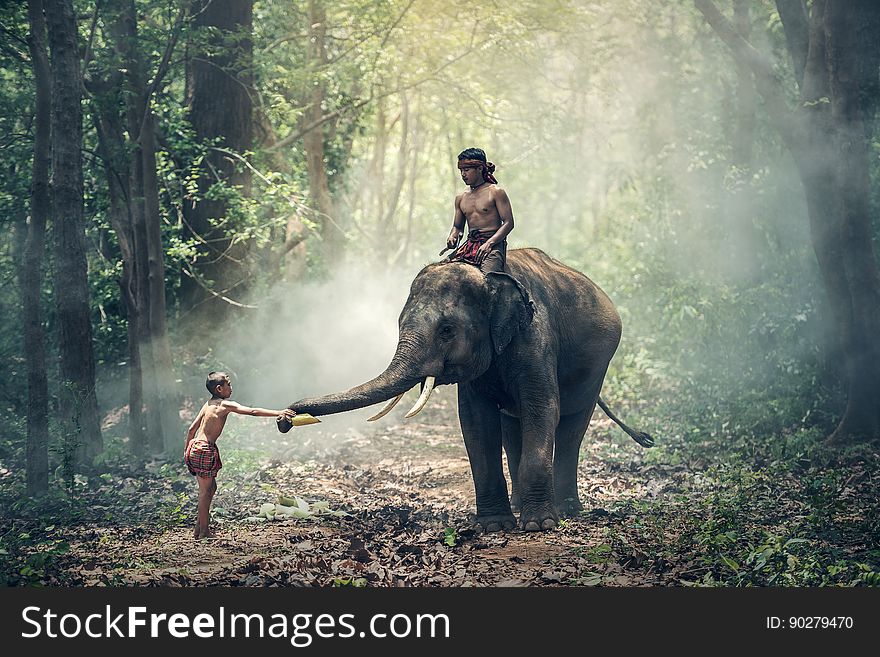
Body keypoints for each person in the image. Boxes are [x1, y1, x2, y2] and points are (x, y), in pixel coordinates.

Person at [184, 371, 295, 539]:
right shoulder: (224, 405)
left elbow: (192, 429)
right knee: (205, 492)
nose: (231, 387)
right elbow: (253, 411)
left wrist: (186, 451)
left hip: (195, 447)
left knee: (210, 488)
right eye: (229, 384)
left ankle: (199, 527)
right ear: (220, 388)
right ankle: (204, 532)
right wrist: (279, 412)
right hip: (204, 449)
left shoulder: (207, 404)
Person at [441, 147, 515, 273]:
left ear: (480, 168)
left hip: (493, 245)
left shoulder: (496, 192)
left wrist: (490, 243)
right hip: (469, 245)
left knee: (488, 280)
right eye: (461, 170)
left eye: (467, 170)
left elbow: (509, 223)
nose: (463, 174)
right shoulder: (461, 198)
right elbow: (458, 227)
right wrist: (453, 236)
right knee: (441, 273)